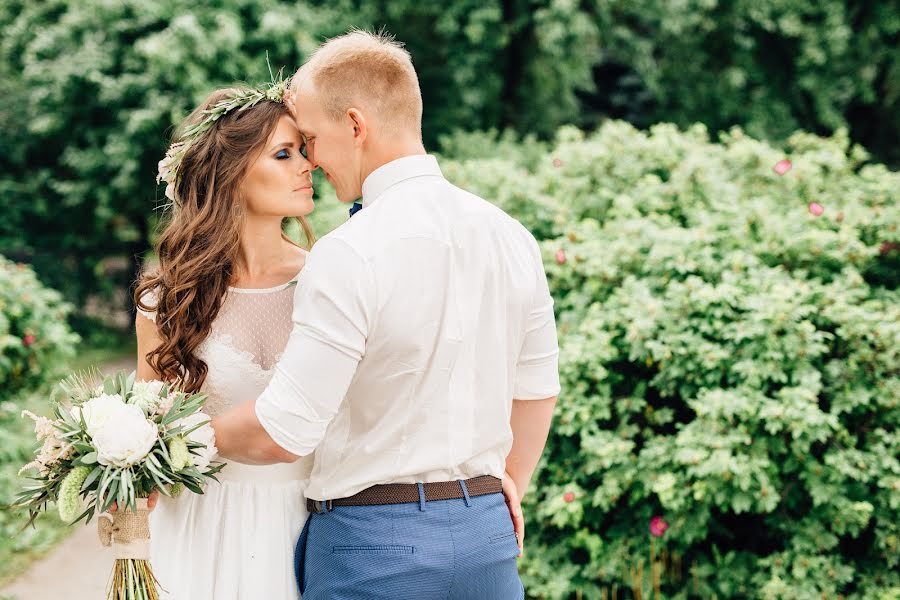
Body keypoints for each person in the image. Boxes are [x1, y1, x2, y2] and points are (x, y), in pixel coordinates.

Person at [212, 30, 560, 599]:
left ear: (355, 125)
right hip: (486, 540)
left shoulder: (349, 249)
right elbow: (538, 390)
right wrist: (507, 485)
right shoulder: (512, 237)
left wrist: (174, 439)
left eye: (314, 140)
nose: (313, 160)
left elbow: (285, 430)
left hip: (371, 547)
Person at [133, 80, 316, 600]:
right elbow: (150, 432)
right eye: (283, 154)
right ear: (231, 175)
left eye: (302, 151)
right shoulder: (170, 297)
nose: (306, 166)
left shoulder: (328, 279)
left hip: (311, 524)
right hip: (200, 528)